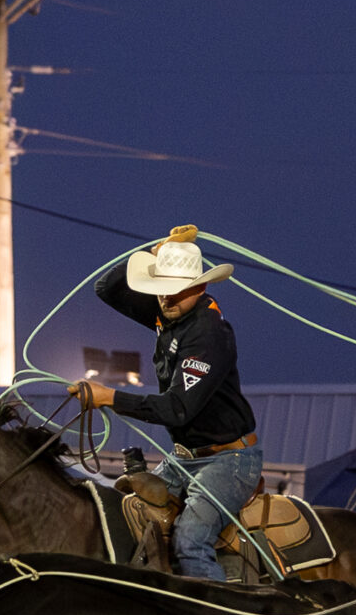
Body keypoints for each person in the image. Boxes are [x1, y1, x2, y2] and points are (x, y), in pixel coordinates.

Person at [69, 227, 260, 581]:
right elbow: (106, 288)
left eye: (173, 289)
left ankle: (219, 612)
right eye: (159, 288)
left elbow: (176, 409)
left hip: (229, 461)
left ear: (199, 287)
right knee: (128, 512)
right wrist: (155, 251)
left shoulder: (208, 334)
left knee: (190, 541)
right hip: (186, 457)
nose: (165, 297)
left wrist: (109, 397)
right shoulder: (170, 308)